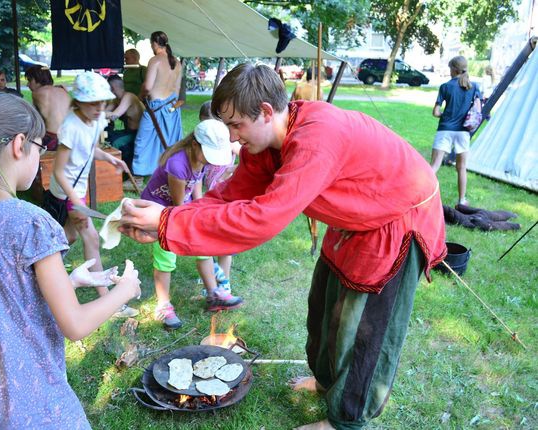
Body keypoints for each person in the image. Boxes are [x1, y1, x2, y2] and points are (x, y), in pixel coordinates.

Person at [119, 63, 446, 430]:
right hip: (354, 216)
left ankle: (346, 422)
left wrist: (167, 224)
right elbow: (231, 195)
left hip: (395, 221)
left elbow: (262, 218)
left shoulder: (317, 139)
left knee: (364, 328)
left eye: (235, 125)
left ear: (265, 111)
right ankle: (325, 383)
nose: (230, 137)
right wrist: (167, 219)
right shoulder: (265, 142)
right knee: (325, 307)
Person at [0, 91, 141, 428]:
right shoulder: (30, 222)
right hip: (27, 411)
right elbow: (75, 325)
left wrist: (70, 281)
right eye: (41, 147)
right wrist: (126, 290)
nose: (41, 155)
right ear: (20, 145)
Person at [49, 71, 139, 318]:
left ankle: (43, 271)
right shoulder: (69, 127)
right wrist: (75, 201)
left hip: (77, 193)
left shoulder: (96, 119)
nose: (100, 108)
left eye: (102, 102)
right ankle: (108, 301)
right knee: (91, 239)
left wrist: (110, 158)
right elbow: (58, 171)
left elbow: (90, 149)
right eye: (93, 102)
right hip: (67, 194)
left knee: (67, 238)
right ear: (78, 102)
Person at [141, 119, 244, 330]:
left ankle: (214, 294)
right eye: (208, 154)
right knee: (166, 255)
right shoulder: (177, 165)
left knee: (203, 246)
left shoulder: (199, 158)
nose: (209, 160)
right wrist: (193, 219)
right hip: (160, 210)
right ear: (195, 145)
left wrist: (199, 207)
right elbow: (178, 206)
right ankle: (163, 305)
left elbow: (195, 184)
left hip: (182, 206)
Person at [198, 100, 242, 295]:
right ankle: (211, 274)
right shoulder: (201, 147)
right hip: (210, 197)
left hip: (226, 199)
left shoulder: (228, 143)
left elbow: (247, 159)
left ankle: (225, 282)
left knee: (226, 241)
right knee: (210, 237)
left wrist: (230, 172)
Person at [430, 56, 481, 207]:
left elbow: (436, 112)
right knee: (461, 168)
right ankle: (462, 200)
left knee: (434, 166)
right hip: (464, 132)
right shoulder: (474, 86)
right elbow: (478, 109)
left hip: (445, 129)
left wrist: (444, 114)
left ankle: (421, 197)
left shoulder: (445, 86)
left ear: (453, 69)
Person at [133, 31, 183, 177]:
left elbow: (148, 86)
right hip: (172, 109)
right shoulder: (177, 63)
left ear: (154, 43)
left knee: (143, 141)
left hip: (155, 108)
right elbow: (177, 89)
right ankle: (168, 171)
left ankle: (138, 176)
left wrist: (140, 95)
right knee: (169, 141)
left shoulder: (155, 60)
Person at [105, 74, 145, 190]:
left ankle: (117, 173)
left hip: (137, 134)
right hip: (128, 131)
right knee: (107, 137)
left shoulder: (128, 97)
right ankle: (109, 172)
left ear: (112, 88)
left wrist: (96, 113)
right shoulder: (116, 99)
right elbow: (106, 112)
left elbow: (114, 115)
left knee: (114, 143)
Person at [25, 65, 71, 151]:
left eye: (29, 80)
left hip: (53, 139)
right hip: (70, 137)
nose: (28, 85)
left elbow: (35, 120)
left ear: (37, 79)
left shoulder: (37, 93)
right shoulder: (63, 90)